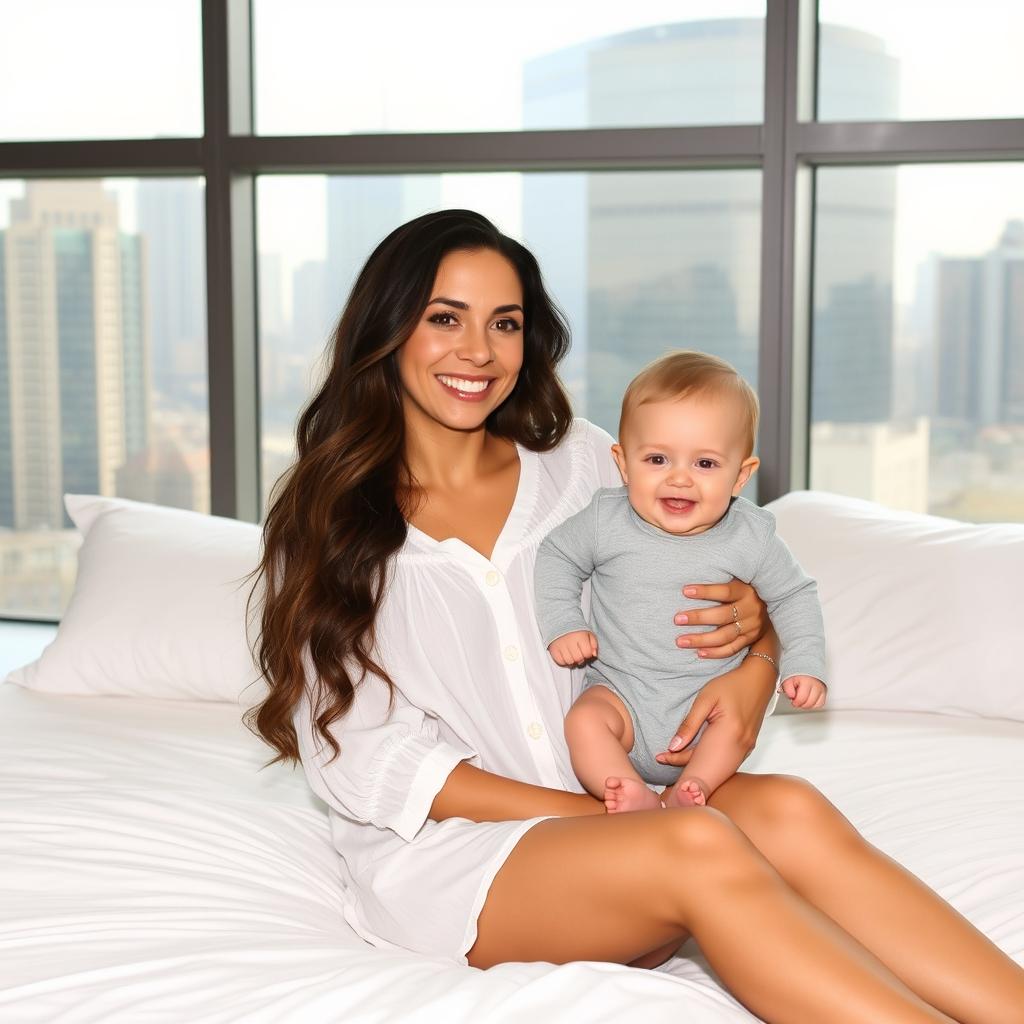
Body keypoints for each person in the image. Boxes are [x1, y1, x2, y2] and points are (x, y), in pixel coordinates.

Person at [248, 209, 1024, 1024]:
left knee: (787, 806)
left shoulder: (585, 463)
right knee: (697, 843)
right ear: (389, 328)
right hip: (461, 867)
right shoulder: (326, 516)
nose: (477, 352)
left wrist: (757, 660)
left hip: (628, 822)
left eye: (504, 323)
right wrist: (610, 820)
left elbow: (730, 588)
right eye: (446, 318)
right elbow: (365, 756)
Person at [535, 351, 827, 813]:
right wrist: (563, 623)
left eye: (706, 464)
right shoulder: (604, 520)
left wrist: (805, 664)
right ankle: (627, 791)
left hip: (708, 703)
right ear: (623, 463)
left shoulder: (751, 535)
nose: (679, 479)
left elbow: (794, 595)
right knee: (584, 723)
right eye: (657, 458)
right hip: (621, 695)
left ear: (741, 476)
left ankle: (691, 790)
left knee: (731, 730)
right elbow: (556, 556)